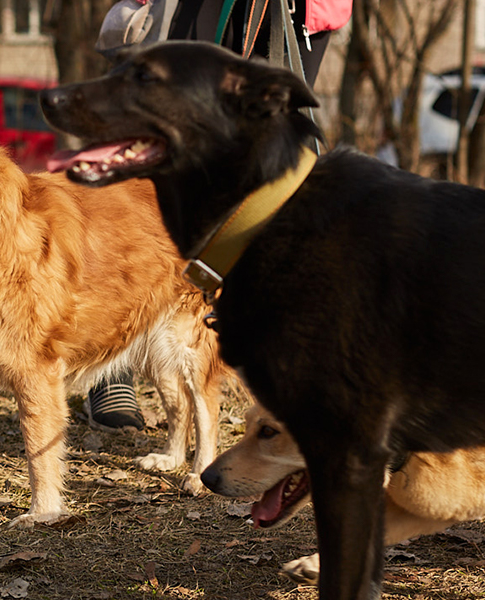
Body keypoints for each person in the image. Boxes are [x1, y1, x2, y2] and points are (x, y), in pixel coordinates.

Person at [84, 0, 351, 431]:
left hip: (300, 9)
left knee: (264, 164)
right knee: (152, 142)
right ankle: (111, 361)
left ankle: (256, 363)